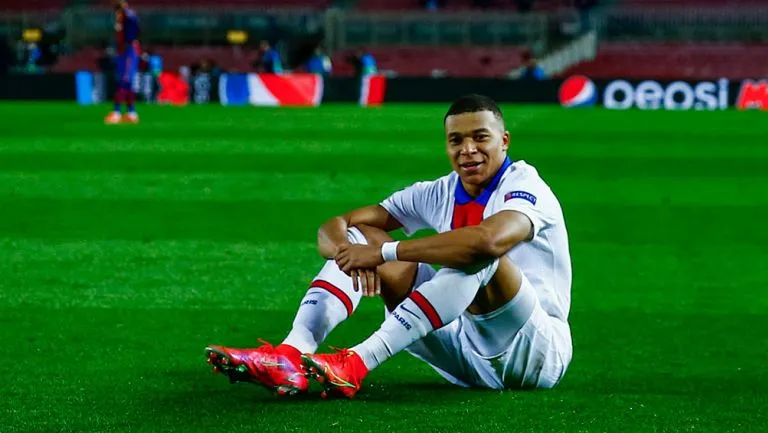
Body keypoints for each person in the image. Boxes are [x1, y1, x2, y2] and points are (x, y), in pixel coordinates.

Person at [205, 94, 573, 398]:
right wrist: (351, 255)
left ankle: (357, 362)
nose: (468, 149)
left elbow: (487, 240)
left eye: (481, 137)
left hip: (536, 352)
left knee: (477, 256)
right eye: (456, 140)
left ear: (504, 140)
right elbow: (336, 226)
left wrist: (384, 254)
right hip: (463, 355)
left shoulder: (526, 186)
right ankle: (291, 353)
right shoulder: (437, 192)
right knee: (362, 234)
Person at [105, 0, 140, 124]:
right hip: (123, 52)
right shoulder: (121, 19)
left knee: (124, 80)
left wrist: (124, 9)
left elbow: (133, 32)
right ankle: (131, 112)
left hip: (129, 51)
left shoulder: (128, 17)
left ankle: (117, 112)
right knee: (126, 82)